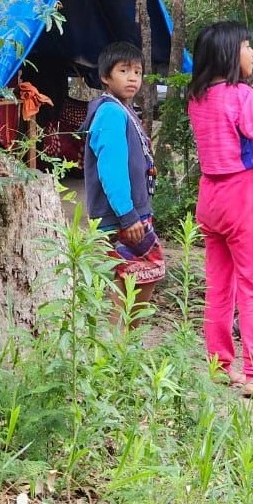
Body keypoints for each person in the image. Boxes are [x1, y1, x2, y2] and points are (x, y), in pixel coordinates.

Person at [188, 21, 253, 398]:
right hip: (240, 192)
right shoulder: (243, 96)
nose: (252, 53)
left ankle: (218, 365)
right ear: (230, 53)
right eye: (247, 46)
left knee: (218, 285)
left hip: (209, 195)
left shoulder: (197, 97)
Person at [82, 42, 166, 327]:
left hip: (129, 214)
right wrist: (128, 215)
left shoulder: (123, 110)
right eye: (124, 70)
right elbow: (111, 169)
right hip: (123, 216)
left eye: (138, 72)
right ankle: (120, 341)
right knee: (144, 270)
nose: (132, 78)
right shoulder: (111, 113)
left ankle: (122, 343)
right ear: (106, 76)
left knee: (129, 277)